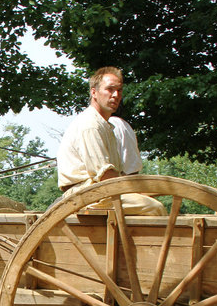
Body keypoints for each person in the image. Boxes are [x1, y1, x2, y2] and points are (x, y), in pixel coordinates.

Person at [56, 66, 163, 214]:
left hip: (100, 192)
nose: (116, 95)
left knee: (150, 200)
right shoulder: (90, 125)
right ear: (94, 92)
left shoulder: (106, 126)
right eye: (110, 89)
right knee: (153, 207)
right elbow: (105, 176)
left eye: (119, 90)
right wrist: (143, 190)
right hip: (87, 196)